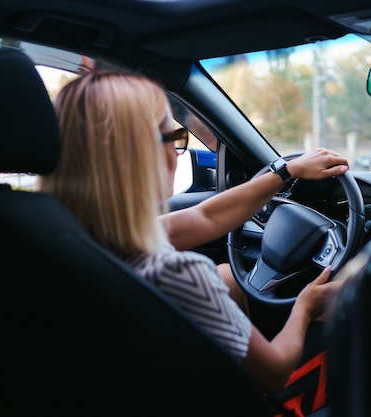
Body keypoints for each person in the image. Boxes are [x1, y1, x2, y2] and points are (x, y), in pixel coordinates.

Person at [37, 70, 349, 398]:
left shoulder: (59, 236)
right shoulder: (177, 274)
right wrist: (305, 306)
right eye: (170, 137)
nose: (176, 151)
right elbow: (273, 373)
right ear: (137, 155)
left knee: (228, 277)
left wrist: (286, 171)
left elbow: (205, 216)